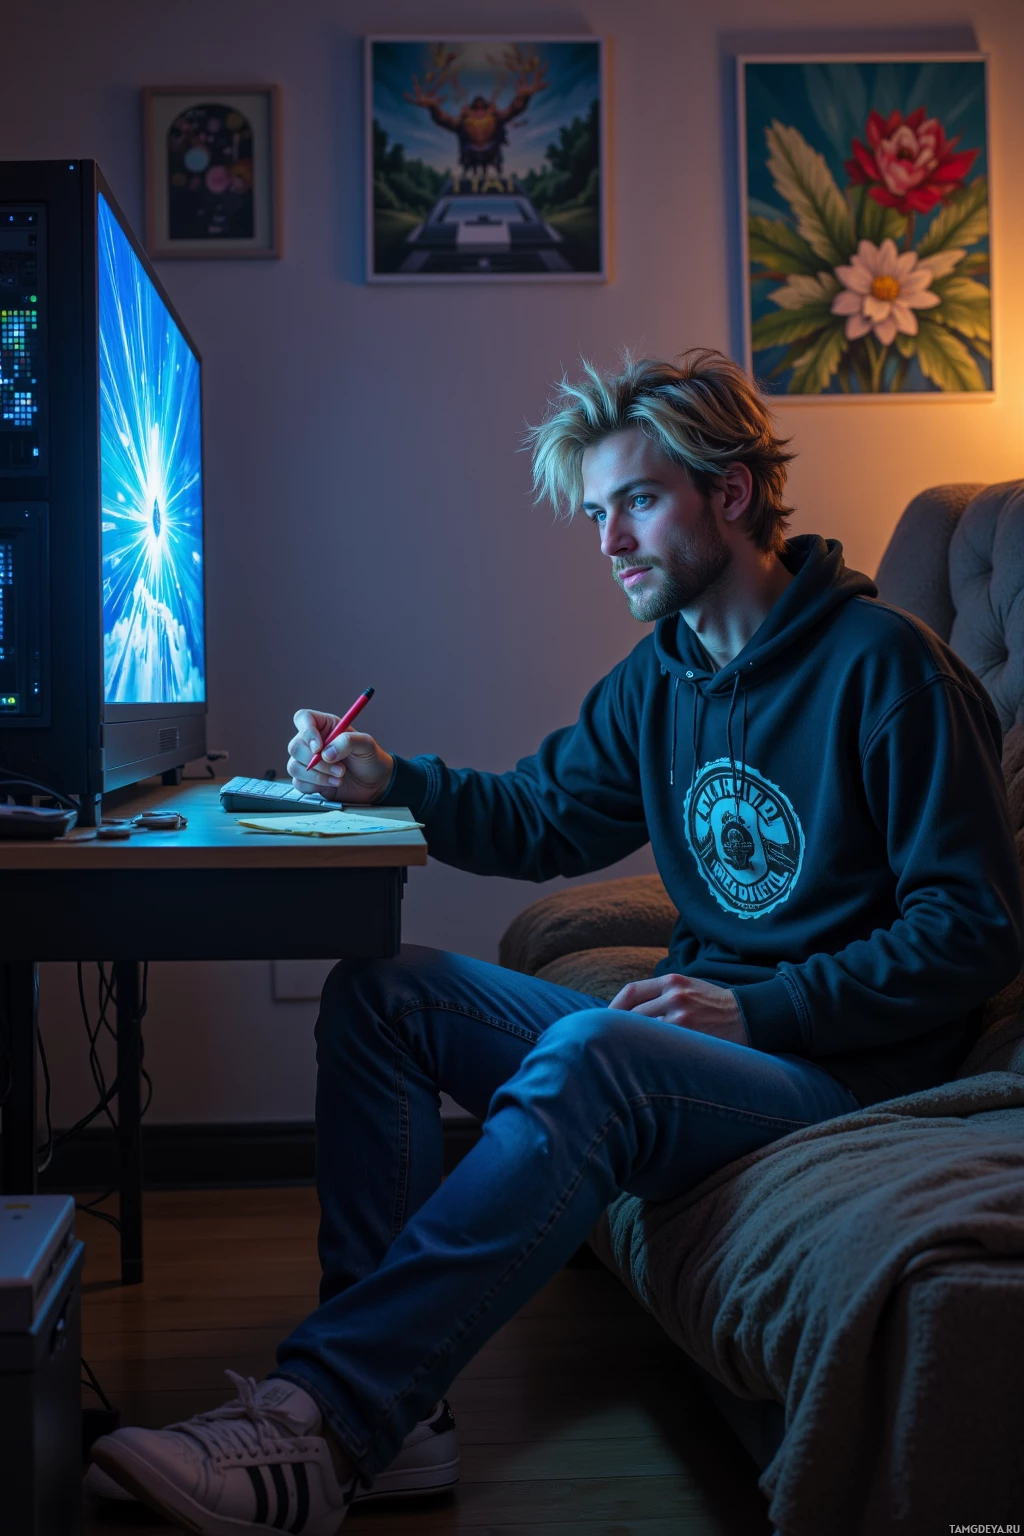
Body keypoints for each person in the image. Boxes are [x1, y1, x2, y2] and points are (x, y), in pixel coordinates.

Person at [91, 350, 1023, 1535]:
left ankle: (321, 1425)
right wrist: (389, 774)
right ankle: (407, 1425)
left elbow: (973, 930)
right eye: (596, 514)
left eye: (635, 501)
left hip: (839, 1068)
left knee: (593, 1056)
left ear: (730, 494)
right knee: (385, 994)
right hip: (713, 1040)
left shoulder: (887, 669)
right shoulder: (664, 675)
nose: (609, 541)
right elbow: (542, 815)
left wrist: (757, 1010)